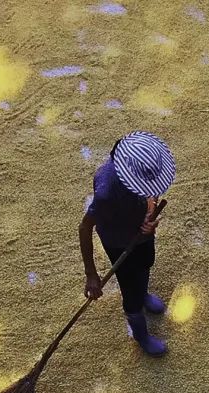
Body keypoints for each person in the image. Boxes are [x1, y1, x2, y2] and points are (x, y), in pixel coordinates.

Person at [78, 130, 176, 357]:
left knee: (145, 264)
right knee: (130, 286)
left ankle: (143, 294)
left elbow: (151, 197)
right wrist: (91, 274)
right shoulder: (106, 194)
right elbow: (84, 228)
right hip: (120, 243)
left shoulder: (140, 170)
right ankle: (140, 329)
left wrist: (149, 215)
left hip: (142, 236)